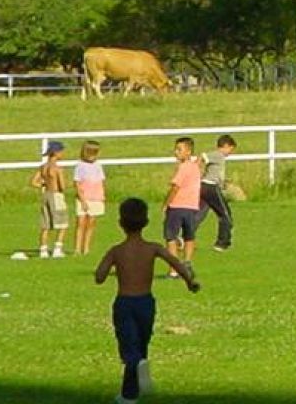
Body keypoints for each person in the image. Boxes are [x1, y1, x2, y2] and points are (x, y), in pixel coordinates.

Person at [95, 197, 201, 404]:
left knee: (129, 347)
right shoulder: (152, 248)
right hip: (146, 302)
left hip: (125, 303)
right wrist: (189, 281)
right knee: (141, 343)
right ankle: (130, 393)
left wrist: (114, 269)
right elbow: (176, 263)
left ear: (120, 223)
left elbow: (99, 276)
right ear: (145, 222)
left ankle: (130, 391)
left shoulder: (116, 251)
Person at [162, 137, 201, 273]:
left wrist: (166, 204)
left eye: (179, 149)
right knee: (189, 236)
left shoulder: (183, 168)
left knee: (171, 237)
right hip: (192, 207)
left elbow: (175, 187)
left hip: (178, 206)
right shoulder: (195, 167)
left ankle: (173, 269)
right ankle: (187, 262)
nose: (175, 152)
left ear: (188, 152)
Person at [196, 135, 237, 252]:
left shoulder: (219, 157)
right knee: (225, 214)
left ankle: (185, 237)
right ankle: (222, 243)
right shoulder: (218, 155)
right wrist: (196, 171)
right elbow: (202, 157)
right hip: (211, 187)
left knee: (199, 214)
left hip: (204, 187)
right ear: (225, 146)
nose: (230, 153)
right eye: (231, 149)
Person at [31, 140, 69, 258]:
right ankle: (58, 248)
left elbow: (33, 182)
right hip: (56, 195)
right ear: (56, 153)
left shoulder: (43, 167)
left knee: (45, 224)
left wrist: (43, 185)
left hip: (46, 195)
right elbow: (62, 186)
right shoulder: (57, 169)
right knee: (63, 223)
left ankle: (43, 250)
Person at [74, 140, 107, 256]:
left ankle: (86, 248)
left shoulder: (98, 165)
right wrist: (82, 199)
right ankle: (77, 248)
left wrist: (102, 195)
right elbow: (77, 183)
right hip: (84, 197)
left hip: (96, 197)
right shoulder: (80, 166)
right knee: (81, 222)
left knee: (91, 223)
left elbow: (101, 181)